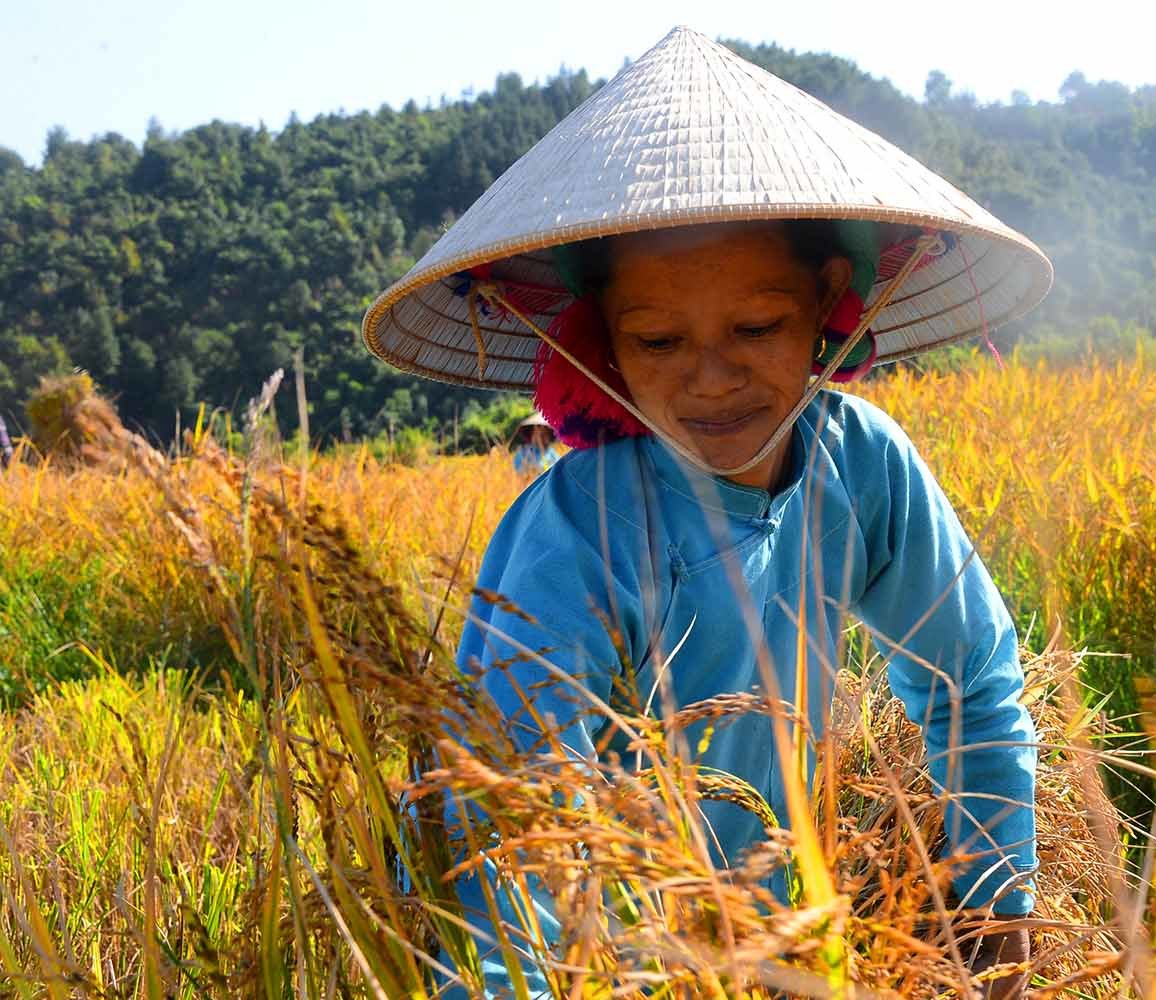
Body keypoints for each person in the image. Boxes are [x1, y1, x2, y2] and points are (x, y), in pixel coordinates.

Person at [362, 27, 1053, 999]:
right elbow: (513, 833)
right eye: (656, 339)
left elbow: (973, 677)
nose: (712, 377)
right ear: (603, 342)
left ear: (826, 300)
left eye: (758, 327)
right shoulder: (581, 535)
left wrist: (996, 912)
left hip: (761, 941)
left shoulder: (862, 466)